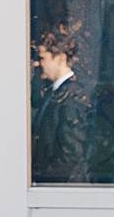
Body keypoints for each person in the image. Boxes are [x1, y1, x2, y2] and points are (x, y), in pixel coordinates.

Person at [31, 22, 91, 183]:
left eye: (42, 58)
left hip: (64, 189)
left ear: (60, 58)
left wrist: (39, 178)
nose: (37, 64)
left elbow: (71, 155)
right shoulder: (58, 93)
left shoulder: (72, 98)